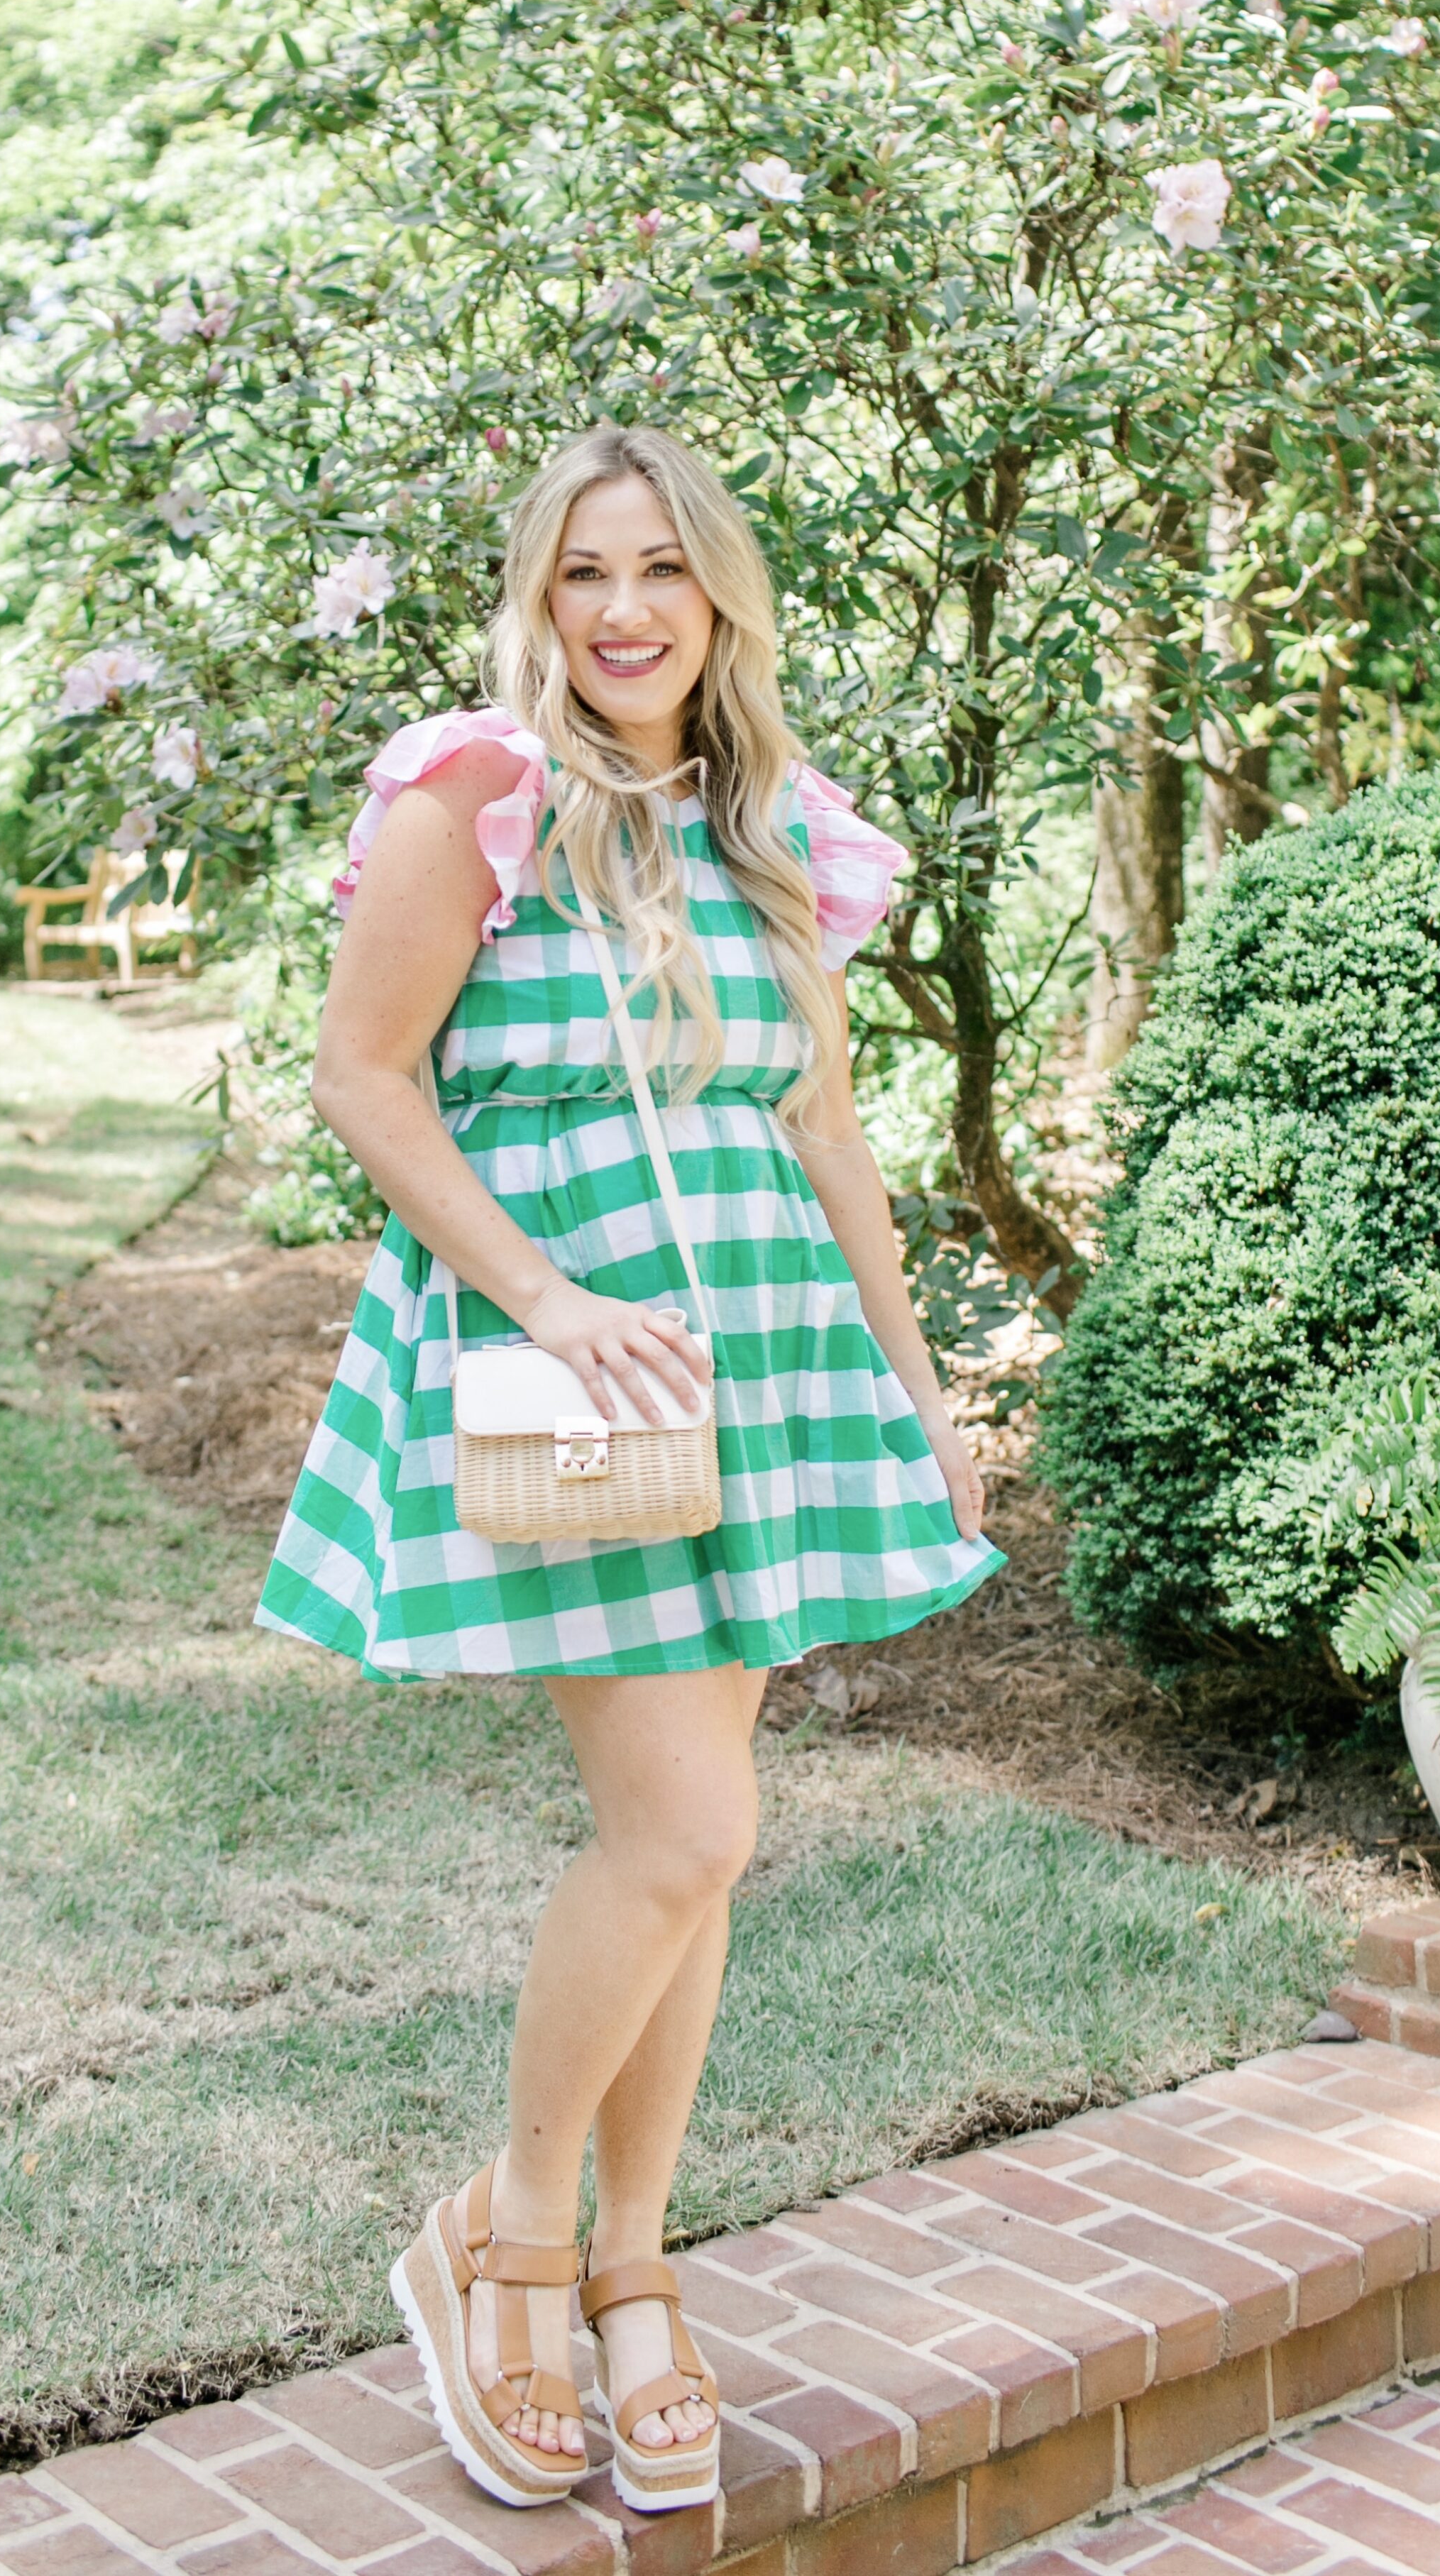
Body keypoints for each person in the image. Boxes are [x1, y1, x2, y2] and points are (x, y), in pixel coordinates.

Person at [256, 420, 999, 2517]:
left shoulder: (772, 828)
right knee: (679, 1833)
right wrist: (547, 1297)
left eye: (663, 568)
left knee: (712, 1846)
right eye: (585, 571)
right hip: (573, 1365)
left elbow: (827, 1133)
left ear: (720, 596)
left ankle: (635, 2262)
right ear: (540, 596)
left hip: (763, 1358)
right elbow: (366, 1080)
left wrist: (917, 1381)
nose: (625, 609)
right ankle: (502, 2230)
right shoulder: (474, 795)